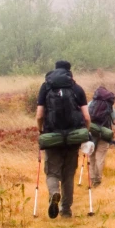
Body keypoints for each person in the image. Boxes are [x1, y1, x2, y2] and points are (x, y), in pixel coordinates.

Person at [36, 60, 90, 219]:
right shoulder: (76, 88)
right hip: (73, 138)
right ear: (69, 71)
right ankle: (65, 210)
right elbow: (86, 117)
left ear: (55, 70)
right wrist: (85, 133)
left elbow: (39, 115)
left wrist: (41, 130)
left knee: (52, 172)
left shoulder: (45, 87)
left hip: (52, 137)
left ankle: (54, 193)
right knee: (68, 175)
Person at [87, 87, 115, 187]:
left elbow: (85, 119)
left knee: (91, 157)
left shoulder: (90, 104)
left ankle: (92, 179)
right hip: (105, 135)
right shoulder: (109, 106)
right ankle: (98, 181)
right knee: (99, 158)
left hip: (91, 135)